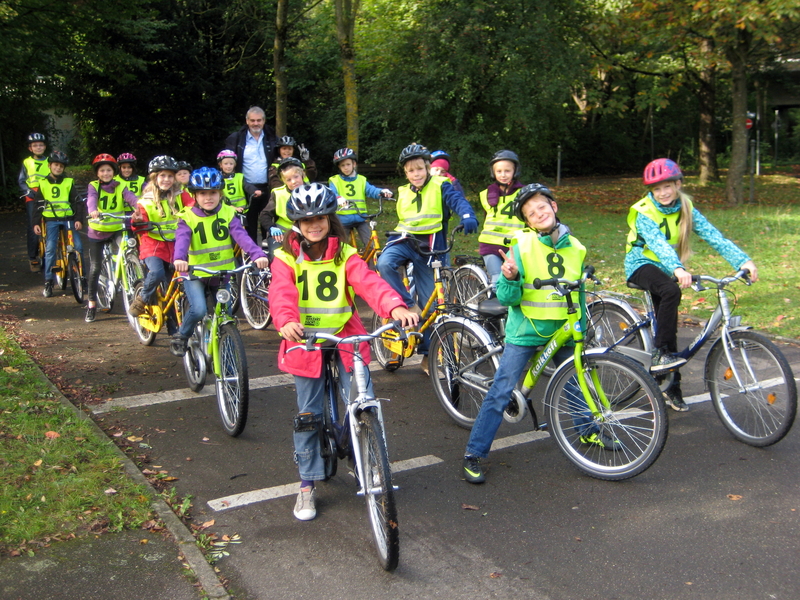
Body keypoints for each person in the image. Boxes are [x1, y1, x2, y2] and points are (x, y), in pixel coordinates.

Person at [269, 182, 418, 521]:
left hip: (344, 334)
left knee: (362, 394)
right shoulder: (285, 257)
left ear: (330, 219)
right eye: (307, 221)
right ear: (297, 225)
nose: (314, 225)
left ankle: (369, 458)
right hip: (304, 339)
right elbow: (281, 293)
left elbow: (370, 283)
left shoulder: (345, 254)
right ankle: (306, 484)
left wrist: (395, 307)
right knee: (308, 414)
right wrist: (286, 319)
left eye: (320, 218)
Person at [461, 183, 605, 484]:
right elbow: (508, 297)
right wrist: (510, 277)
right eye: (530, 213)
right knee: (501, 390)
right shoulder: (520, 245)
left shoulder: (576, 248)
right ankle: (474, 453)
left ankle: (588, 431)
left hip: (562, 329)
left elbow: (577, 292)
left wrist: (582, 323)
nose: (538, 214)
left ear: (554, 207)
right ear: (526, 222)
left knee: (575, 381)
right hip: (526, 330)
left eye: (542, 207)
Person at [625, 158, 758, 411]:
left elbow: (714, 236)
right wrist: (677, 268)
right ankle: (659, 354)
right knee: (670, 292)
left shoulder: (686, 207)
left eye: (667, 186)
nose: (662, 193)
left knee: (668, 326)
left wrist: (744, 260)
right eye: (656, 189)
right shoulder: (643, 211)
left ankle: (670, 387)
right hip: (640, 264)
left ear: (678, 184)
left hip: (666, 267)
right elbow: (658, 244)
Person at [376, 144, 478, 375]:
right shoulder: (403, 191)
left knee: (432, 307)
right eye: (411, 171)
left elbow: (456, 200)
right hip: (405, 241)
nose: (416, 174)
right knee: (383, 263)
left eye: (420, 169)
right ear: (405, 173)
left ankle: (426, 356)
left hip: (431, 247)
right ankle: (404, 303)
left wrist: (467, 214)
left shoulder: (441, 184)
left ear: (428, 167)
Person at [170, 167, 269, 357]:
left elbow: (243, 237)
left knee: (226, 314)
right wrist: (179, 259)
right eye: (203, 193)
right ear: (195, 196)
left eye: (213, 193)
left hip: (222, 273)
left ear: (220, 193)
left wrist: (257, 254)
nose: (208, 197)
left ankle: (224, 346)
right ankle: (181, 335)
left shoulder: (227, 213)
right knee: (198, 309)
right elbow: (181, 242)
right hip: (195, 273)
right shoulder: (187, 217)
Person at [127, 156, 194, 322]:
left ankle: (174, 328)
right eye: (162, 176)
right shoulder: (146, 201)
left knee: (174, 288)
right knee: (156, 273)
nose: (166, 180)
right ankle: (143, 297)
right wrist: (137, 221)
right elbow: (137, 223)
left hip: (176, 245)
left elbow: (195, 208)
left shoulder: (181, 195)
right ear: (154, 177)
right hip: (153, 244)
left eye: (170, 176)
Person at [84, 154, 139, 323]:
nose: (106, 173)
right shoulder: (93, 186)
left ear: (113, 171)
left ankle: (134, 279)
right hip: (98, 229)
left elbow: (131, 197)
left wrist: (141, 208)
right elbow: (92, 200)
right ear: (97, 173)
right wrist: (93, 211)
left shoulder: (120, 184)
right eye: (102, 171)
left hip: (117, 228)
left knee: (130, 249)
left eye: (109, 170)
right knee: (95, 266)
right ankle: (92, 304)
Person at [32, 151, 85, 298]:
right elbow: (38, 205)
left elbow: (77, 202)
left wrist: (79, 219)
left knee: (79, 247)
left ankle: (83, 277)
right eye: (56, 165)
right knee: (50, 249)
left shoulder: (69, 182)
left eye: (61, 166)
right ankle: (48, 281)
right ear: (50, 166)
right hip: (51, 219)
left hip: (68, 218)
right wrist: (35, 222)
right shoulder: (43, 183)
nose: (58, 168)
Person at [224, 106, 279, 242]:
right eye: (253, 120)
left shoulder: (272, 138)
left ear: (264, 121)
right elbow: (227, 161)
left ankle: (270, 253)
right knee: (249, 224)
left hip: (268, 187)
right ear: (247, 121)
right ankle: (253, 256)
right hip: (246, 188)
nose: (256, 123)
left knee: (269, 221)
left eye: (259, 120)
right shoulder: (236, 139)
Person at [478, 150, 525, 288]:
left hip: (514, 245)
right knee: (497, 279)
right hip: (490, 244)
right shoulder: (486, 194)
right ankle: (494, 306)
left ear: (515, 171)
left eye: (507, 171)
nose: (503, 175)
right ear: (493, 172)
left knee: (516, 277)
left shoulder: (523, 193)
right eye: (499, 171)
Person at [328, 147, 392, 246]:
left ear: (354, 164)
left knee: (371, 243)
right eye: (342, 165)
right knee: (340, 245)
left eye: (348, 164)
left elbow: (371, 190)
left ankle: (373, 260)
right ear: (339, 167)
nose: (346, 168)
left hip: (361, 218)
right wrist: (338, 198)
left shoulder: (361, 180)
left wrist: (382, 192)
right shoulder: (335, 180)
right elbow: (332, 193)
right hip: (343, 219)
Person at [257, 157, 307, 261]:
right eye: (288, 180)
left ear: (302, 175)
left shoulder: (313, 191)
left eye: (296, 177)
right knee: (277, 259)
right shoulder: (278, 193)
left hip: (306, 233)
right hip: (281, 234)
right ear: (283, 181)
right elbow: (264, 214)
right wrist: (271, 228)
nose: (293, 182)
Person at [18, 133, 49, 271]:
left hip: (48, 194)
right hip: (32, 196)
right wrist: (27, 190)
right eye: (35, 145)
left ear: (45, 147)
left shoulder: (50, 161)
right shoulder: (27, 162)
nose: (38, 147)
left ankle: (51, 253)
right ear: (30, 148)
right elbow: (22, 180)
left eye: (41, 145)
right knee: (33, 225)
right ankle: (32, 257)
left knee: (52, 224)